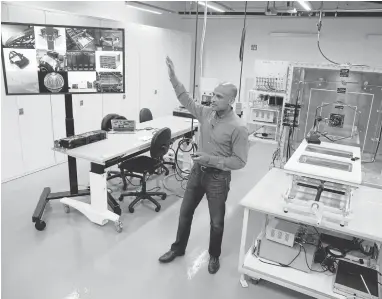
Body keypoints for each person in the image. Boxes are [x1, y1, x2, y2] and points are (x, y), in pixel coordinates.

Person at [158, 56, 249, 274]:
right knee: (185, 213)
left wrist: (212, 160)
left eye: (219, 96)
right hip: (197, 173)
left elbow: (240, 161)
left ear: (230, 101)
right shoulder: (206, 113)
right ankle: (178, 248)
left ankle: (214, 256)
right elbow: (186, 99)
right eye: (213, 94)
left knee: (216, 222)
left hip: (218, 178)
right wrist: (173, 78)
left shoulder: (238, 127)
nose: (213, 99)